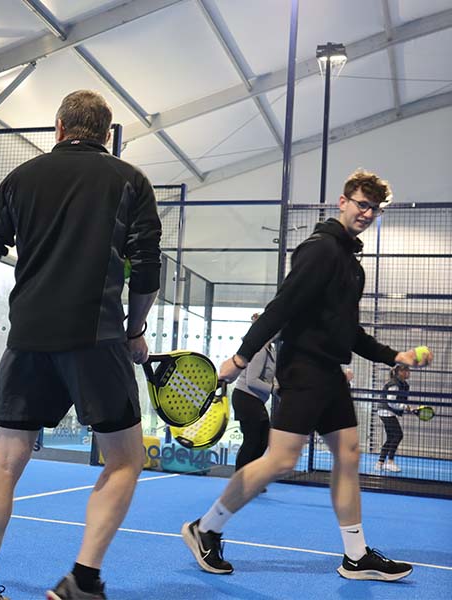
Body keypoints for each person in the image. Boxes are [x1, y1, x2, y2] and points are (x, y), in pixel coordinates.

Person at [0, 90, 161, 600]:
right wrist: (135, 329)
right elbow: (148, 269)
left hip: (27, 337)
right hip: (97, 338)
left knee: (6, 458)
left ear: (58, 127)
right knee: (125, 459)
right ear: (107, 134)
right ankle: (82, 580)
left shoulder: (21, 178)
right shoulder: (130, 179)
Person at [181, 169, 433, 582]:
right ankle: (205, 528)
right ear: (343, 202)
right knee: (281, 460)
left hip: (330, 371)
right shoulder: (319, 251)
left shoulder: (351, 265)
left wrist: (394, 356)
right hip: (303, 367)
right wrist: (241, 358)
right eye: (361, 204)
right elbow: (282, 307)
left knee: (348, 453)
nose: (367, 213)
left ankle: (356, 556)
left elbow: (348, 332)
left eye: (374, 208)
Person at [231, 314, 276, 474]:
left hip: (254, 400)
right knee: (252, 440)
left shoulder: (270, 350)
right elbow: (252, 381)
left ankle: (250, 477)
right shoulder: (260, 350)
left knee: (263, 440)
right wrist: (273, 389)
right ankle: (240, 480)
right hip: (246, 398)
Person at [375, 365, 411, 472]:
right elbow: (391, 402)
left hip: (388, 412)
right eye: (406, 370)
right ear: (400, 372)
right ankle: (390, 462)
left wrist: (407, 408)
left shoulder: (403, 384)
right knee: (398, 435)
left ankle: (380, 463)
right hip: (386, 411)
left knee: (391, 437)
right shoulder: (394, 384)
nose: (408, 372)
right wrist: (405, 407)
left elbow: (399, 401)